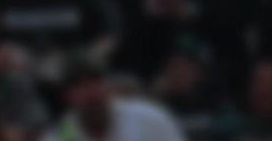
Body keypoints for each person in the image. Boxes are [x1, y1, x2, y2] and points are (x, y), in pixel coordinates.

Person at [42, 54, 185, 141]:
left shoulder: (149, 120)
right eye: (79, 85)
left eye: (95, 81)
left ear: (108, 85)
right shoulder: (61, 136)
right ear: (67, 96)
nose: (90, 92)